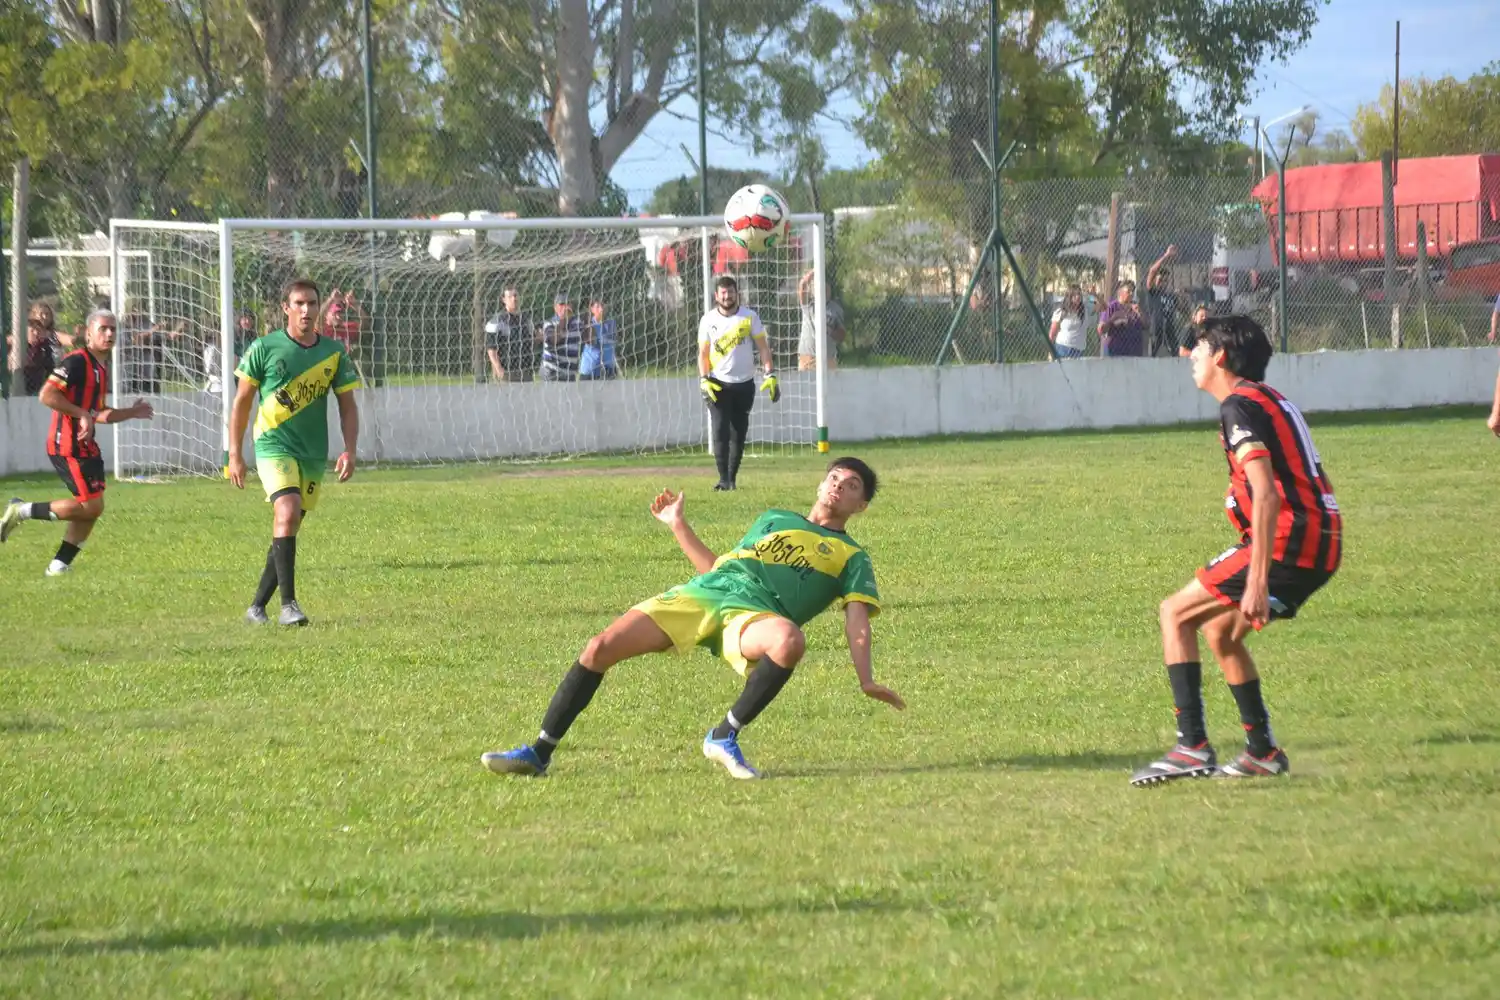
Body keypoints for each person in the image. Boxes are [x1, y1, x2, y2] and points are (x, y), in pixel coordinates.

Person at [482, 457, 903, 780]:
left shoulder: (852, 557)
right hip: (705, 594)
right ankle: (539, 753)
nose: (838, 485)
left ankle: (723, 735)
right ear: (820, 484)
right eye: (834, 477)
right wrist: (678, 524)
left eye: (851, 485)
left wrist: (865, 678)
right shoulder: (774, 519)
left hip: (754, 617)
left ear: (861, 505)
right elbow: (719, 568)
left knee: (789, 640)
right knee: (599, 648)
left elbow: (857, 621)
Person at [1131, 315, 1342, 786]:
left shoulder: (1238, 407)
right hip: (1322, 541)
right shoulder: (1268, 399)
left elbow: (1266, 495)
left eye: (1200, 347)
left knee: (1174, 614)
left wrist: (1258, 579)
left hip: (1290, 541)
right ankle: (1262, 752)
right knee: (1221, 634)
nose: (1192, 355)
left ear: (1221, 356)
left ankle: (1191, 746)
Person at [227, 279, 360, 627]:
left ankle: (257, 607)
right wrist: (234, 454)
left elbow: (347, 405)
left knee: (288, 525)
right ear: (286, 308)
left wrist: (349, 449)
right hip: (273, 444)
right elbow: (242, 403)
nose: (306, 310)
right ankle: (289, 606)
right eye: (299, 303)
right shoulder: (263, 347)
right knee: (286, 510)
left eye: (312, 303)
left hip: (312, 452)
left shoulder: (333, 352)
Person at [1, 310, 154, 574]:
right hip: (66, 444)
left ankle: (59, 565)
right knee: (90, 506)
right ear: (88, 333)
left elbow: (99, 413)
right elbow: (47, 395)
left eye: (113, 329)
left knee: (92, 508)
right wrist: (81, 414)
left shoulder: (100, 367)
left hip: (85, 445)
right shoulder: (76, 362)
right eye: (103, 328)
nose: (109, 334)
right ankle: (21, 510)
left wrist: (131, 412)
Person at [699, 275, 776, 491]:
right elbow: (703, 353)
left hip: (745, 383)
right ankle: (723, 480)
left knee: (738, 432)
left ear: (737, 294)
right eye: (723, 293)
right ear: (716, 296)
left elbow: (763, 347)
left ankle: (732, 479)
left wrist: (770, 374)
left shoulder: (749, 317)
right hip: (718, 384)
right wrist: (704, 379)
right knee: (719, 429)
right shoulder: (708, 320)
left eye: (731, 292)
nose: (727, 296)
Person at [484, 286, 539, 383]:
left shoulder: (526, 319)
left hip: (526, 372)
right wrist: (499, 370)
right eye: (510, 296)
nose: (514, 299)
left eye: (515, 295)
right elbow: (491, 350)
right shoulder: (497, 321)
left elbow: (531, 344)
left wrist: (540, 338)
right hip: (506, 372)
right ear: (504, 300)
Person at [797, 269, 846, 371]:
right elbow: (802, 286)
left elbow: (842, 335)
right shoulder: (808, 305)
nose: (824, 289)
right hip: (809, 358)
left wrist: (830, 332)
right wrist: (814, 271)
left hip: (828, 358)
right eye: (819, 285)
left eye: (826, 286)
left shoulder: (835, 308)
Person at [539, 291, 584, 382]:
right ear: (555, 308)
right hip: (552, 373)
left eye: (567, 303)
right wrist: (564, 319)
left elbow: (589, 339)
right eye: (562, 304)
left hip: (569, 374)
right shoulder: (549, 323)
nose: (565, 307)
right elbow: (554, 340)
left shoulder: (578, 323)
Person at [1144, 244, 1181, 357]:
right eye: (1160, 280)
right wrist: (1166, 255)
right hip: (1156, 329)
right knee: (1153, 355)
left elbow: (1181, 309)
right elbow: (1152, 271)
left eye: (1165, 281)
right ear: (1155, 281)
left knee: (1175, 355)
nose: (1163, 283)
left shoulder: (1171, 295)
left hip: (1170, 329)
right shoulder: (1153, 292)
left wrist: (1182, 297)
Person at [1096, 281, 1146, 357]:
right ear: (1120, 292)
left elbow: (1146, 325)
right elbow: (1101, 330)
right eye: (1128, 291)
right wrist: (1113, 319)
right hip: (1116, 353)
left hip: (1135, 353)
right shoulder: (1111, 307)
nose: (1131, 293)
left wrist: (1140, 313)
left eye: (1133, 291)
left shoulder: (1135, 307)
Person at [20, 303, 60, 395]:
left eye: (47, 314)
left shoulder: (47, 342)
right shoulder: (22, 341)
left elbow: (50, 366)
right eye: (41, 314)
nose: (45, 317)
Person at [579, 296, 620, 380]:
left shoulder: (611, 323)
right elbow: (592, 342)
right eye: (597, 306)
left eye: (603, 306)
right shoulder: (588, 324)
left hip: (608, 369)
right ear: (592, 309)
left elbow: (612, 342)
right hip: (590, 369)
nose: (601, 309)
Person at [1048, 286, 1090, 359]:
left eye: (1079, 294)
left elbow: (1104, 307)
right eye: (1074, 294)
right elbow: (1052, 333)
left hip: (1079, 349)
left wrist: (1095, 294)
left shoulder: (1084, 310)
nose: (1078, 297)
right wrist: (1050, 352)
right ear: (1069, 297)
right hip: (1064, 348)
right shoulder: (1061, 312)